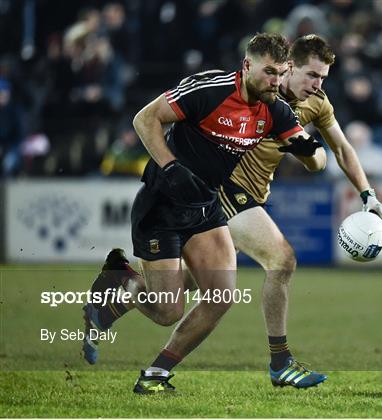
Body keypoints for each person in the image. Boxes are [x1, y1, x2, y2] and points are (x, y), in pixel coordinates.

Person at [81, 33, 327, 393]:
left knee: (221, 297)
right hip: (161, 207)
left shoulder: (275, 108)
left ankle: (156, 374)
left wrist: (309, 150)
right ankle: (124, 283)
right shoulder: (209, 90)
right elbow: (144, 119)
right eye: (269, 72)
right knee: (168, 312)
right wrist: (169, 168)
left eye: (281, 73)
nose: (275, 81)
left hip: (205, 209)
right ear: (246, 66)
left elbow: (317, 162)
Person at [202, 34, 382, 383]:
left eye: (323, 77)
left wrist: (367, 194)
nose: (317, 84)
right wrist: (312, 156)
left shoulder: (317, 104)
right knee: (282, 260)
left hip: (253, 195)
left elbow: (341, 148)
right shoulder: (261, 92)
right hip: (224, 188)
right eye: (311, 75)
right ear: (288, 66)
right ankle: (281, 363)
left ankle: (116, 298)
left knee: (187, 284)